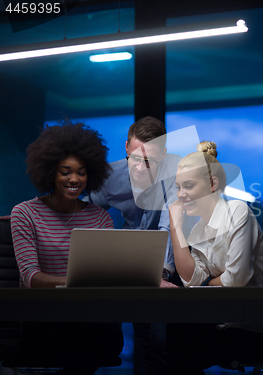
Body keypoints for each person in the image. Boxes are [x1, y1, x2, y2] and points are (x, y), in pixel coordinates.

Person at [165, 141, 263, 374]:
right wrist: (176, 228)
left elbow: (237, 279)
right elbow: (192, 280)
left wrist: (209, 282)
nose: (181, 194)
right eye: (178, 187)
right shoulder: (197, 230)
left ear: (212, 184)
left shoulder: (237, 211)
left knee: (183, 338)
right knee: (178, 332)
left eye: (188, 185)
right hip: (233, 324)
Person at [10, 122, 123, 374]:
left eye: (81, 172)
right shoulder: (25, 213)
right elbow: (31, 277)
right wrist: (75, 282)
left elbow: (108, 275)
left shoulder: (100, 218)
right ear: (50, 172)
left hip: (91, 319)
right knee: (82, 347)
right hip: (44, 321)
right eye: (65, 172)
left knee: (101, 339)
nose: (74, 179)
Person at [84, 116, 181, 375]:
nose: (140, 167)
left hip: (172, 262)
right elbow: (80, 210)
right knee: (143, 343)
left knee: (162, 344)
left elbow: (169, 227)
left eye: (149, 160)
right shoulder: (110, 176)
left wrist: (159, 273)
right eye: (135, 158)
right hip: (134, 262)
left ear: (164, 153)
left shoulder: (177, 173)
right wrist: (34, 211)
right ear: (126, 147)